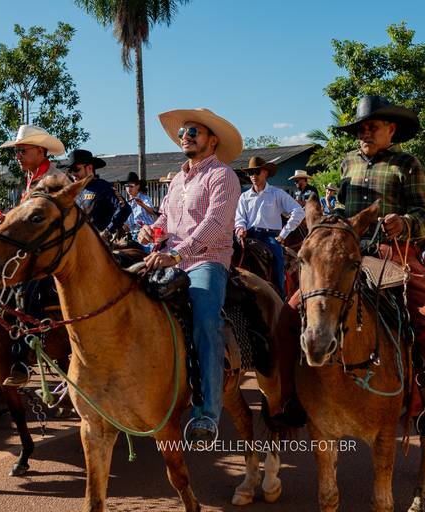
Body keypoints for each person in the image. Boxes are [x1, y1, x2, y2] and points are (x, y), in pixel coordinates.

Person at [270, 95, 425, 444]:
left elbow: (424, 215)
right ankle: (291, 400)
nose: (364, 133)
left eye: (371, 127)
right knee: (287, 317)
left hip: (395, 252)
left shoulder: (408, 164)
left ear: (391, 130)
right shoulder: (348, 163)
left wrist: (404, 223)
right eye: (360, 129)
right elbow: (343, 208)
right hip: (347, 251)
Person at [137, 108, 242, 443]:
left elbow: (216, 224)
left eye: (193, 131)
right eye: (183, 132)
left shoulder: (223, 176)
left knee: (206, 322)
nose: (186, 136)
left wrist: (178, 254)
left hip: (206, 261)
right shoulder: (178, 180)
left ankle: (207, 414)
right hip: (170, 259)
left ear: (213, 140)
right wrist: (149, 230)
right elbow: (165, 219)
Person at [0, 125, 66, 386]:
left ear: (40, 151)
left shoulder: (55, 179)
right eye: (16, 151)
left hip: (52, 252)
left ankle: (22, 359)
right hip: (32, 251)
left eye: (22, 151)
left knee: (26, 290)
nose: (18, 156)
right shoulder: (33, 178)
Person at [234, 156, 305, 299]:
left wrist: (283, 234)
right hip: (248, 234)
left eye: (257, 172)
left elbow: (298, 211)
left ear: (265, 173)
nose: (253, 176)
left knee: (278, 259)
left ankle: (281, 295)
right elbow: (240, 217)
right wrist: (240, 228)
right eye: (250, 173)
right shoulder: (244, 196)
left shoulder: (277, 194)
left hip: (269, 236)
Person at [56, 149, 125, 235]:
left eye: (76, 169)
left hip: (102, 241)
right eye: (70, 171)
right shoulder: (74, 192)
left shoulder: (103, 186)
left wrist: (107, 232)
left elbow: (124, 208)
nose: (73, 174)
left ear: (89, 168)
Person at [122, 171, 156, 248]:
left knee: (149, 250)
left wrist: (142, 205)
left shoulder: (144, 198)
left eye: (131, 186)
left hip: (146, 234)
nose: (128, 189)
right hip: (132, 235)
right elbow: (126, 225)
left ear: (137, 186)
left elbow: (153, 212)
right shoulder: (125, 203)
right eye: (127, 186)